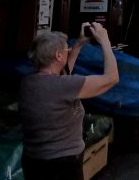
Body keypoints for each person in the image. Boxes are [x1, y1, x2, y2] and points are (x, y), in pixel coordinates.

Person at [19, 22, 119, 180]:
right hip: (62, 166)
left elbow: (62, 77)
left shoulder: (29, 83)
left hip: (34, 162)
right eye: (67, 49)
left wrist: (79, 43)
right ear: (59, 56)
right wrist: (105, 41)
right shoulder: (63, 86)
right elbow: (111, 78)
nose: (70, 50)